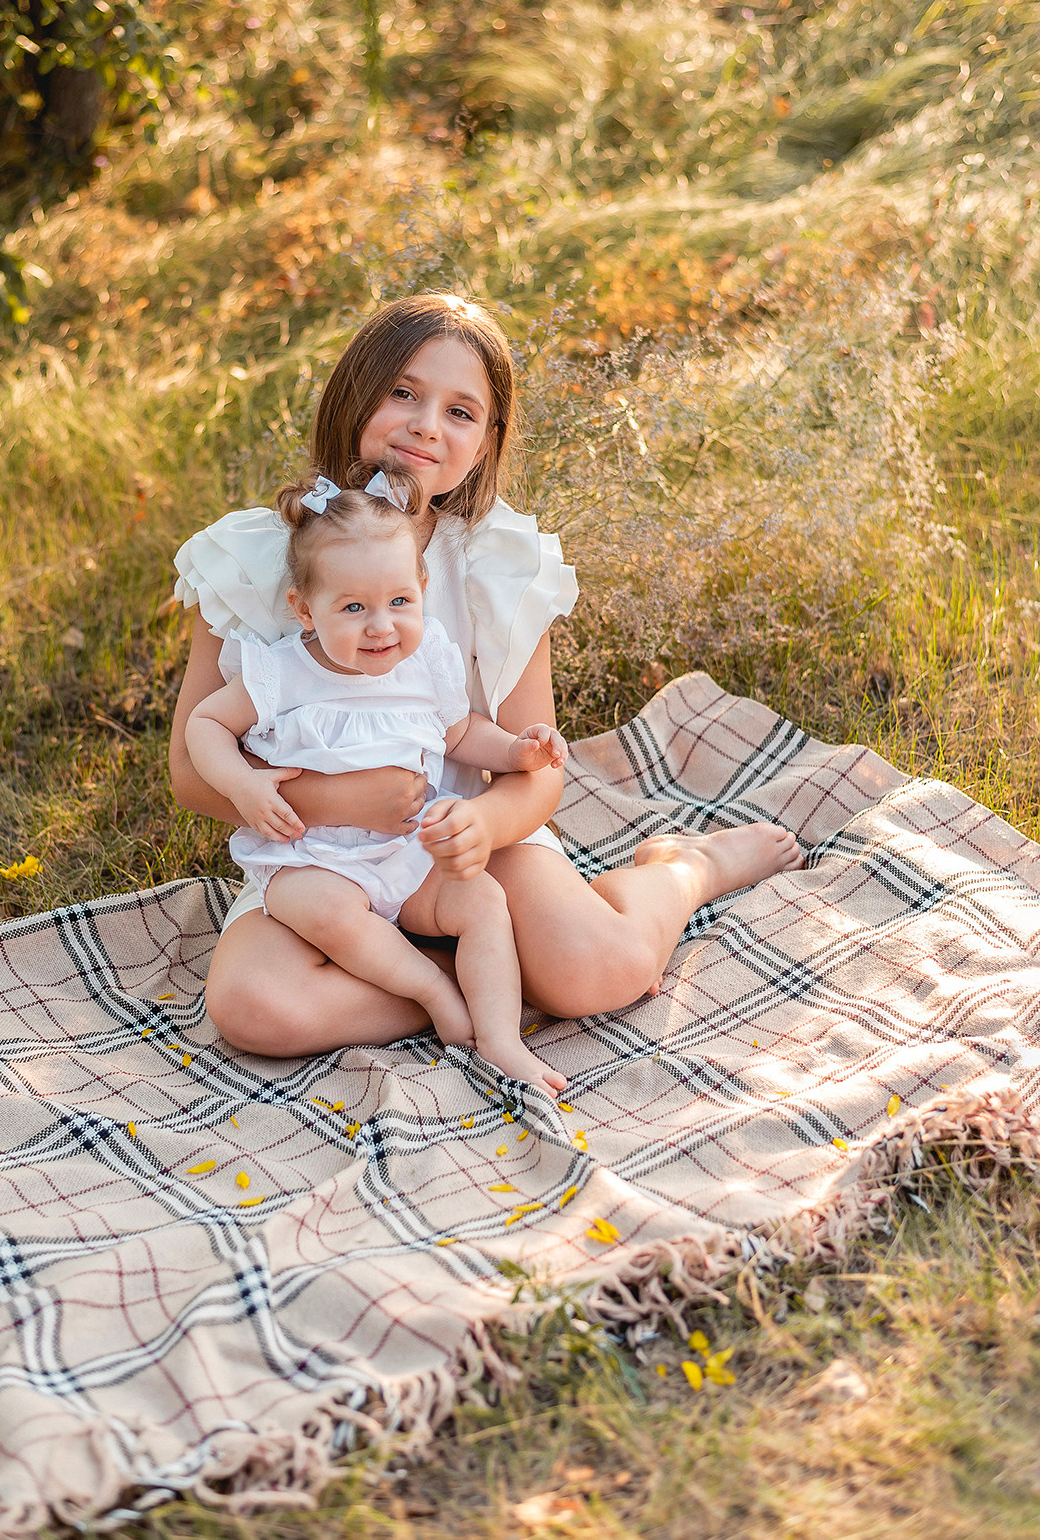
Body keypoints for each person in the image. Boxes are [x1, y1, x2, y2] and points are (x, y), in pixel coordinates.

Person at [170, 292, 805, 1058]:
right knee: (254, 1007)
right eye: (401, 391)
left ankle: (682, 867)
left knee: (600, 971)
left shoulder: (497, 564)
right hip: (319, 856)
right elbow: (192, 773)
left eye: (460, 411)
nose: (425, 424)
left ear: (486, 440)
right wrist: (336, 799)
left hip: (468, 848)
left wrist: (483, 825)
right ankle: (466, 979)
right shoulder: (249, 558)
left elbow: (535, 772)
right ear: (351, 392)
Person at [182, 460, 570, 1092]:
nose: (381, 626)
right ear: (304, 610)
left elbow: (462, 734)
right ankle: (435, 992)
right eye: (353, 607)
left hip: (407, 850)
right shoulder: (281, 673)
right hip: (316, 861)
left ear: (420, 586)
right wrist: (244, 785)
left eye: (398, 601)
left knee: (482, 900)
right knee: (321, 907)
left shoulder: (428, 665)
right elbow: (204, 726)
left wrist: (518, 753)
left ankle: (501, 1040)